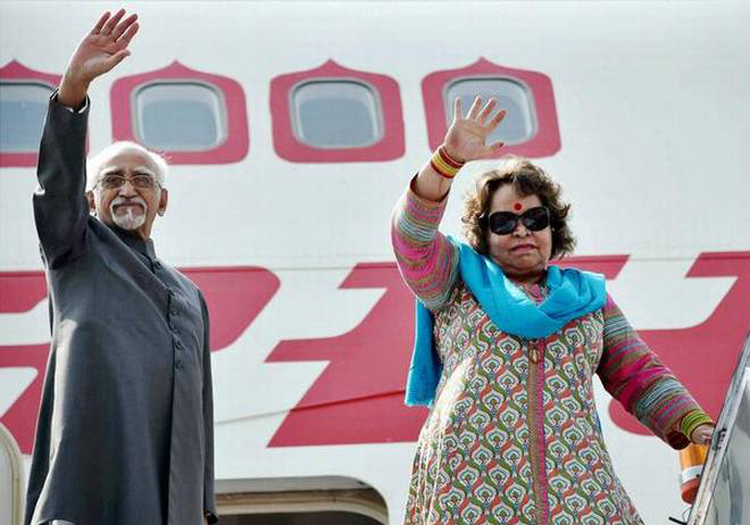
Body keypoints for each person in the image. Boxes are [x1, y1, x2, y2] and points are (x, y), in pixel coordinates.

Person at [391, 96, 714, 524]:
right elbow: (411, 237)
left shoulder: (588, 298)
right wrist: (447, 161)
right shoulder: (454, 280)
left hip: (575, 488)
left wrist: (695, 425)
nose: (521, 230)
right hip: (469, 490)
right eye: (503, 222)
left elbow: (639, 374)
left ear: (552, 226)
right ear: (484, 234)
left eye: (535, 219)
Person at [25, 9, 217, 525]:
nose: (128, 188)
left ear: (162, 201)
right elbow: (56, 186)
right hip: (87, 497)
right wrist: (73, 91)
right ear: (90, 200)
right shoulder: (75, 252)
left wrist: (202, 505)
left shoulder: (190, 295)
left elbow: (201, 406)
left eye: (142, 180)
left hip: (171, 504)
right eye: (112, 180)